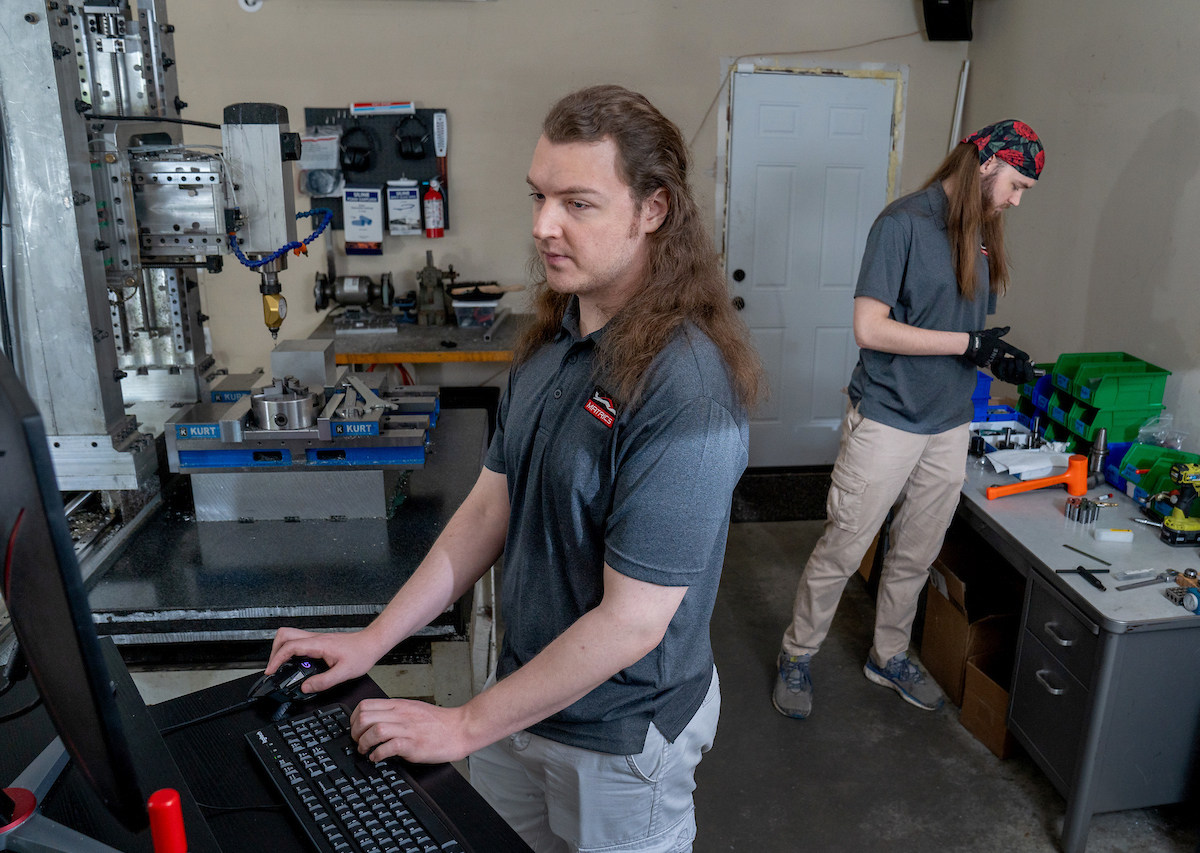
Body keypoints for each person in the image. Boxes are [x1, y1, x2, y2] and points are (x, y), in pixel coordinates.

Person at [267, 84, 762, 853]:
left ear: (653, 211)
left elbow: (632, 622)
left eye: (578, 203)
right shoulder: (553, 339)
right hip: (521, 701)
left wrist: (461, 723)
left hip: (620, 739)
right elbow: (489, 508)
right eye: (538, 197)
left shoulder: (687, 388)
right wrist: (374, 640)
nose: (542, 226)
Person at [772, 120, 1044, 720]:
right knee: (844, 547)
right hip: (889, 419)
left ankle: (887, 654)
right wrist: (966, 346)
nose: (1016, 200)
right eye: (1016, 184)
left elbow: (960, 330)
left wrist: (992, 352)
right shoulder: (902, 224)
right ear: (987, 164)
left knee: (916, 553)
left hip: (949, 424)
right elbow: (871, 329)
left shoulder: (981, 232)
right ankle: (798, 653)